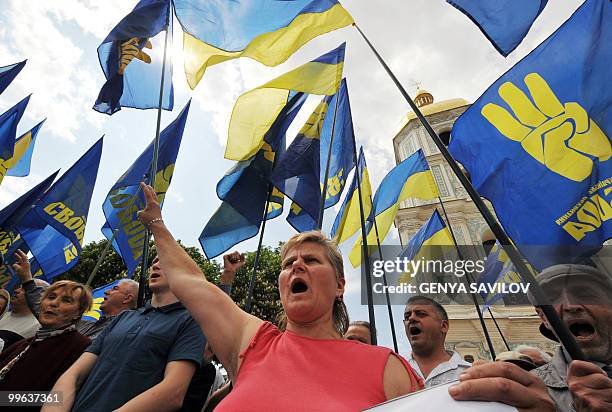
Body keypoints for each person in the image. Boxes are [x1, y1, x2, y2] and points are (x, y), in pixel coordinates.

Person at [135, 183, 422, 411]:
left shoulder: (388, 367)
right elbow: (191, 281)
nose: (297, 265)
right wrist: (157, 225)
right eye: (288, 264)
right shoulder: (253, 342)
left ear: (339, 285)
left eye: (311, 260)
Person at [44, 256, 206, 412]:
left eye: (165, 262)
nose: (155, 266)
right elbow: (74, 374)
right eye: (154, 262)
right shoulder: (123, 317)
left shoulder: (191, 321)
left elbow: (173, 393)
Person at [528, 264, 612, 412]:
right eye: (552, 299)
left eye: (584, 294)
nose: (570, 306)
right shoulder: (528, 392)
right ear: (544, 318)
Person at [0, 279, 92, 394]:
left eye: (66, 300)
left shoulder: (81, 347)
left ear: (78, 313)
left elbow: (58, 398)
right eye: (51, 297)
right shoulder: (27, 342)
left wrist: (6, 400)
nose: (53, 303)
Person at [404, 295, 471, 386]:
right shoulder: (394, 372)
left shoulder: (470, 374)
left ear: (443, 326)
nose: (411, 318)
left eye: (421, 314)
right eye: (407, 317)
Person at [0, 251, 49, 350]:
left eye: (25, 288)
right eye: (19, 287)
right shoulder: (3, 314)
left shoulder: (39, 327)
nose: (17, 290)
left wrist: (27, 277)